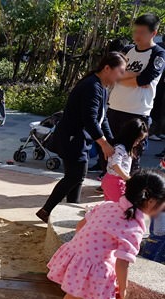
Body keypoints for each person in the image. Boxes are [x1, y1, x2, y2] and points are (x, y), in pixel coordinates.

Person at [48, 170, 165, 299]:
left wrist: (89, 251)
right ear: (150, 202)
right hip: (97, 268)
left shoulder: (107, 205)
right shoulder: (133, 227)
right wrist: (123, 286)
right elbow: (122, 262)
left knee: (72, 294)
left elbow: (80, 227)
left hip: (78, 257)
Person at [36, 52, 126, 222]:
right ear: (107, 68)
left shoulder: (102, 87)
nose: (121, 76)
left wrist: (112, 141)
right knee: (75, 176)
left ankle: (69, 209)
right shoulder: (91, 86)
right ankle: (46, 210)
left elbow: (102, 118)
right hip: (71, 137)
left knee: (76, 176)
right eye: (120, 71)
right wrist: (104, 144)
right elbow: (90, 120)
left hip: (79, 138)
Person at [102, 14, 165, 175]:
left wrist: (123, 75)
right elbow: (110, 73)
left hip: (137, 112)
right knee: (110, 148)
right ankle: (107, 181)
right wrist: (132, 76)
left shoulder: (158, 54)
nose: (137, 36)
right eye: (135, 31)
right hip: (115, 107)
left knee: (132, 154)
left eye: (142, 32)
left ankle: (128, 188)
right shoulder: (127, 50)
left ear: (153, 33)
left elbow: (145, 79)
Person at [102, 118, 148, 202]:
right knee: (121, 205)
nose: (138, 143)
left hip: (113, 181)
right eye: (137, 140)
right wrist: (127, 178)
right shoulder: (120, 148)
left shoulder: (124, 148)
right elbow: (115, 164)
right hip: (114, 182)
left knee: (111, 206)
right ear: (130, 136)